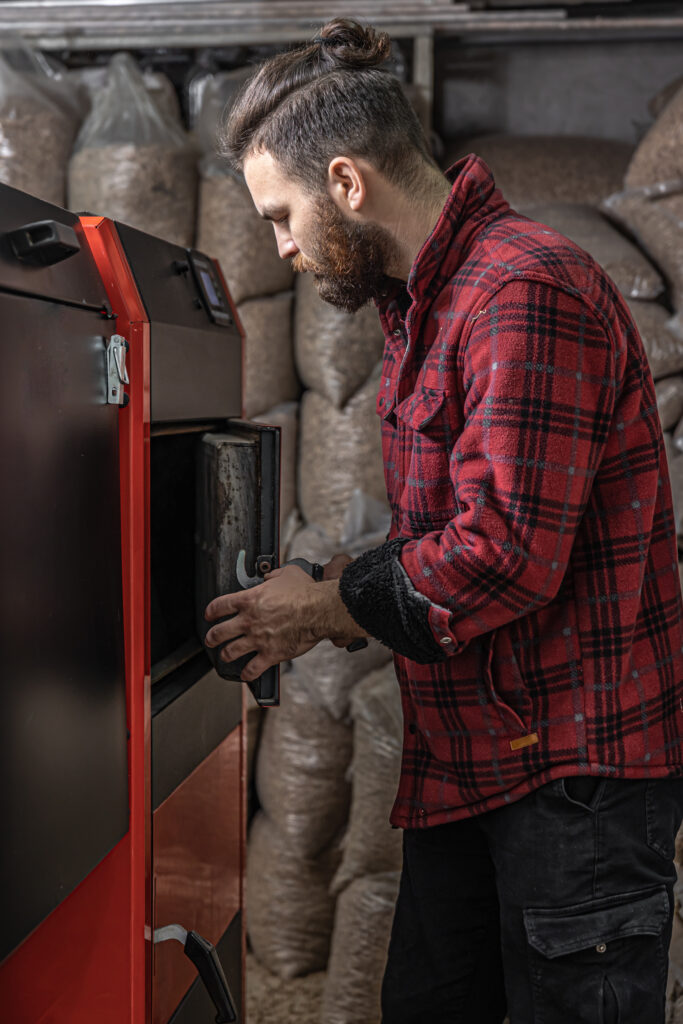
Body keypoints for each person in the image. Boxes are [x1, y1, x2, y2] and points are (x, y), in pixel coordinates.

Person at [204, 18, 683, 1023]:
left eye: (281, 215)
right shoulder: (432, 304)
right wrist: (332, 580)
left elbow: (501, 552)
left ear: (344, 182)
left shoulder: (520, 286)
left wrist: (324, 608)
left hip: (569, 783)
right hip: (476, 762)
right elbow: (459, 526)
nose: (281, 247)